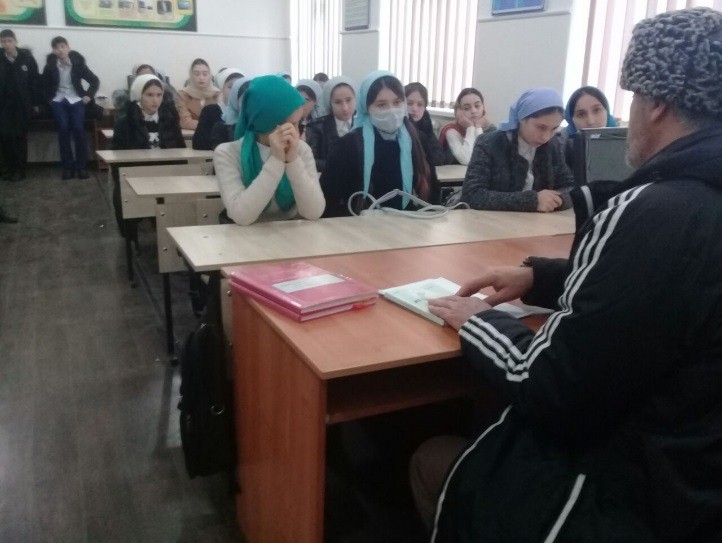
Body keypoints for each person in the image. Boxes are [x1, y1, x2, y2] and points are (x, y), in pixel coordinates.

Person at [411, 7, 722, 541]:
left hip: (640, 495)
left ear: (658, 104)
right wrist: (544, 278)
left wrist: (479, 321)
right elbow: (667, 288)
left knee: (431, 457)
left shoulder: (653, 210)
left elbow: (551, 385)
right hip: (699, 481)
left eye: (632, 97)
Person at [320, 71, 439, 216]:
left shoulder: (418, 140)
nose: (391, 110)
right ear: (367, 108)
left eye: (397, 102)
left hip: (409, 222)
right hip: (360, 224)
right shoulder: (348, 145)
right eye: (381, 105)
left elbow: (432, 193)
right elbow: (327, 199)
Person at [213, 75, 325, 226]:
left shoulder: (301, 150)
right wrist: (276, 161)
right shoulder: (227, 154)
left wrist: (293, 161)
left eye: (299, 123)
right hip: (243, 234)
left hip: (289, 232)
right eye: (292, 124)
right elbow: (241, 216)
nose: (296, 133)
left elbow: (314, 212)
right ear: (268, 123)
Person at [460, 88, 574, 212]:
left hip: (537, 222)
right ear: (522, 118)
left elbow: (571, 187)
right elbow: (472, 195)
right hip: (491, 222)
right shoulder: (489, 143)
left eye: (554, 129)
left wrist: (555, 200)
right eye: (541, 127)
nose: (546, 137)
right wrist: (533, 201)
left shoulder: (553, 145)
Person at [41, 36, 99, 180]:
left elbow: (94, 80)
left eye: (62, 46)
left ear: (68, 48)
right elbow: (43, 85)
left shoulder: (78, 64)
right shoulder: (50, 66)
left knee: (79, 129)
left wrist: (89, 95)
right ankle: (68, 167)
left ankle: (81, 167)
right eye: (56, 48)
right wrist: (49, 99)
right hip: (58, 100)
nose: (60, 50)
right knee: (63, 128)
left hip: (76, 99)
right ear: (53, 50)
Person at [0, 29, 41, 182]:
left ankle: (20, 169)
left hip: (22, 104)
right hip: (4, 104)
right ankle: (8, 168)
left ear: (15, 41)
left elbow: (35, 82)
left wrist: (36, 103)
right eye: (3, 41)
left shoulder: (27, 58)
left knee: (19, 137)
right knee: (4, 136)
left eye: (9, 41)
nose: (6, 44)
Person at [112, 74, 184, 150]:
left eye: (159, 95)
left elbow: (180, 149)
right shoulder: (126, 121)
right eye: (149, 95)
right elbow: (117, 152)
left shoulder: (170, 119)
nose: (155, 100)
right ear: (139, 95)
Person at [305, 75, 356, 172]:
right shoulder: (317, 127)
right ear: (330, 103)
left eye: (349, 100)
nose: (345, 108)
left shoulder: (364, 125)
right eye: (338, 102)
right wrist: (340, 165)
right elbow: (310, 161)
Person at [560, 85, 618, 171]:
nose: (591, 121)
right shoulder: (559, 149)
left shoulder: (625, 144)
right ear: (571, 120)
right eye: (581, 114)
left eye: (597, 110)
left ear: (607, 111)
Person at [439, 88, 495, 165]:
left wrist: (478, 127)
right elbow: (467, 160)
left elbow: (487, 159)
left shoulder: (491, 130)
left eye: (477, 106)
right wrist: (471, 127)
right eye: (466, 108)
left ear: (483, 108)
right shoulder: (451, 130)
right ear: (458, 111)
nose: (473, 111)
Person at [192, 67, 243, 149]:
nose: (235, 91)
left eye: (239, 88)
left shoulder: (248, 112)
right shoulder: (210, 110)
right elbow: (199, 143)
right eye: (230, 87)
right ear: (222, 88)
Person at [405, 82, 444, 166]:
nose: (415, 109)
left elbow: (439, 156)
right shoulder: (396, 125)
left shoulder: (425, 123)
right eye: (409, 103)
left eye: (420, 104)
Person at [176, 58, 220, 130]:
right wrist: (207, 125)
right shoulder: (183, 94)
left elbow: (220, 120)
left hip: (213, 135)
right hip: (189, 135)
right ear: (191, 75)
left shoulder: (217, 94)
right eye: (197, 74)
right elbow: (184, 121)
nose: (201, 78)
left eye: (205, 74)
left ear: (210, 75)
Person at [210, 76, 251, 150]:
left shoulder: (260, 126)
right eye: (244, 101)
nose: (249, 105)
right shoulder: (221, 129)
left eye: (252, 100)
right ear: (235, 100)